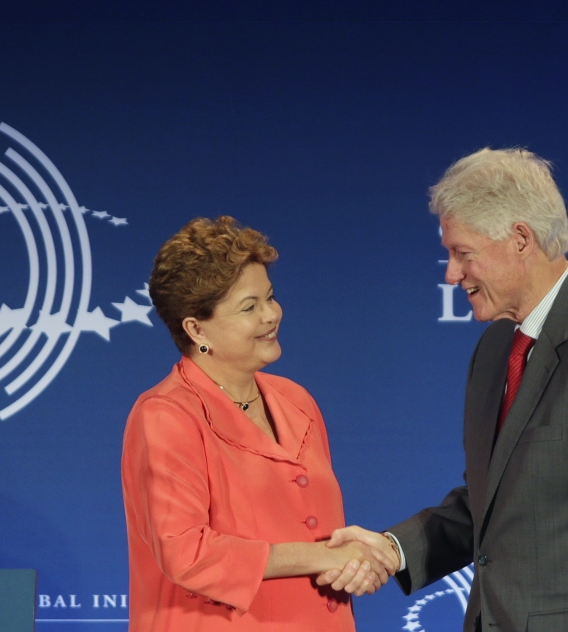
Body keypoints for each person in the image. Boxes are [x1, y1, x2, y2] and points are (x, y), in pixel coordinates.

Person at [328, 148, 568, 632]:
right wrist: (394, 549)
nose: (451, 273)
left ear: (520, 239)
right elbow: (495, 503)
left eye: (463, 253)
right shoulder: (498, 346)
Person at [122, 216, 391, 631]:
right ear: (196, 329)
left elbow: (321, 532)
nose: (271, 315)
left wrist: (352, 564)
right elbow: (186, 553)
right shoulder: (165, 414)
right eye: (249, 307)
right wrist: (323, 556)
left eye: (270, 297)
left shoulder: (296, 400)